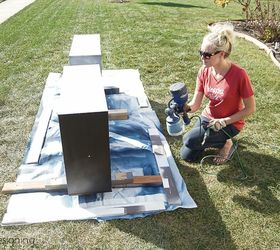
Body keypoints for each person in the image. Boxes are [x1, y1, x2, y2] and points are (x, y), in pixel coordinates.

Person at [180, 22, 256, 164]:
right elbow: (195, 104)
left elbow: (250, 108)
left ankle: (227, 143)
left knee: (189, 139)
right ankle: (213, 140)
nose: (202, 58)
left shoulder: (239, 74)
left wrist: (224, 122)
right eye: (201, 53)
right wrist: (185, 108)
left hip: (230, 123)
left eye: (207, 55)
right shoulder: (204, 70)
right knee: (187, 155)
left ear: (222, 54)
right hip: (208, 118)